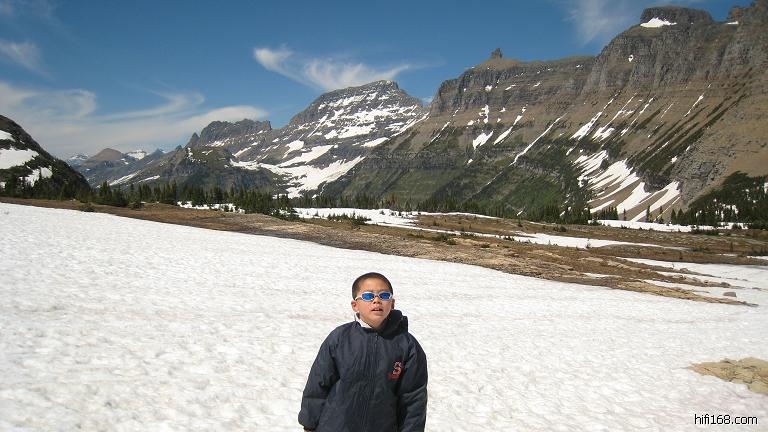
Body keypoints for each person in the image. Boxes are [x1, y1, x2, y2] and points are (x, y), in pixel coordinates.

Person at [298, 272, 428, 432]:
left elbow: (413, 398)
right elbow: (318, 383)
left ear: (392, 303)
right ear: (355, 305)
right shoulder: (340, 338)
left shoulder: (407, 346)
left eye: (384, 295)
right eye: (368, 296)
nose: (376, 300)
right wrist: (309, 423)